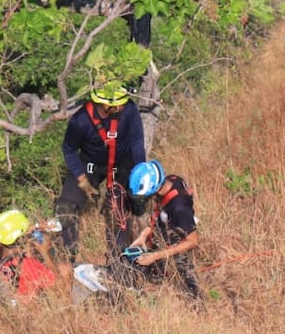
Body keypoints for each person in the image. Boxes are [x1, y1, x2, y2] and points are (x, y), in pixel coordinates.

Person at [55, 81, 147, 263]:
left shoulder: (129, 110)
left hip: (122, 160)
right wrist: (82, 180)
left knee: (119, 207)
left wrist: (139, 175)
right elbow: (69, 150)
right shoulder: (80, 121)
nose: (123, 105)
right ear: (106, 105)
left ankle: (118, 259)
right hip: (91, 162)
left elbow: (137, 142)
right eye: (118, 103)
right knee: (65, 207)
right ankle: (69, 257)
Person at [125, 159, 203, 302]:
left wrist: (157, 256)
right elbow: (159, 208)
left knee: (184, 269)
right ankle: (154, 280)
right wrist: (144, 235)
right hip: (169, 221)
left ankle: (196, 302)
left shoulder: (179, 209)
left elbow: (193, 241)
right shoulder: (169, 181)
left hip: (181, 233)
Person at [0, 209, 59, 305]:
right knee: (65, 269)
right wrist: (45, 252)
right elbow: (57, 283)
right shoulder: (27, 265)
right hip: (25, 309)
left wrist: (36, 226)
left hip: (6, 300)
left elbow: (11, 236)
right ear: (20, 238)